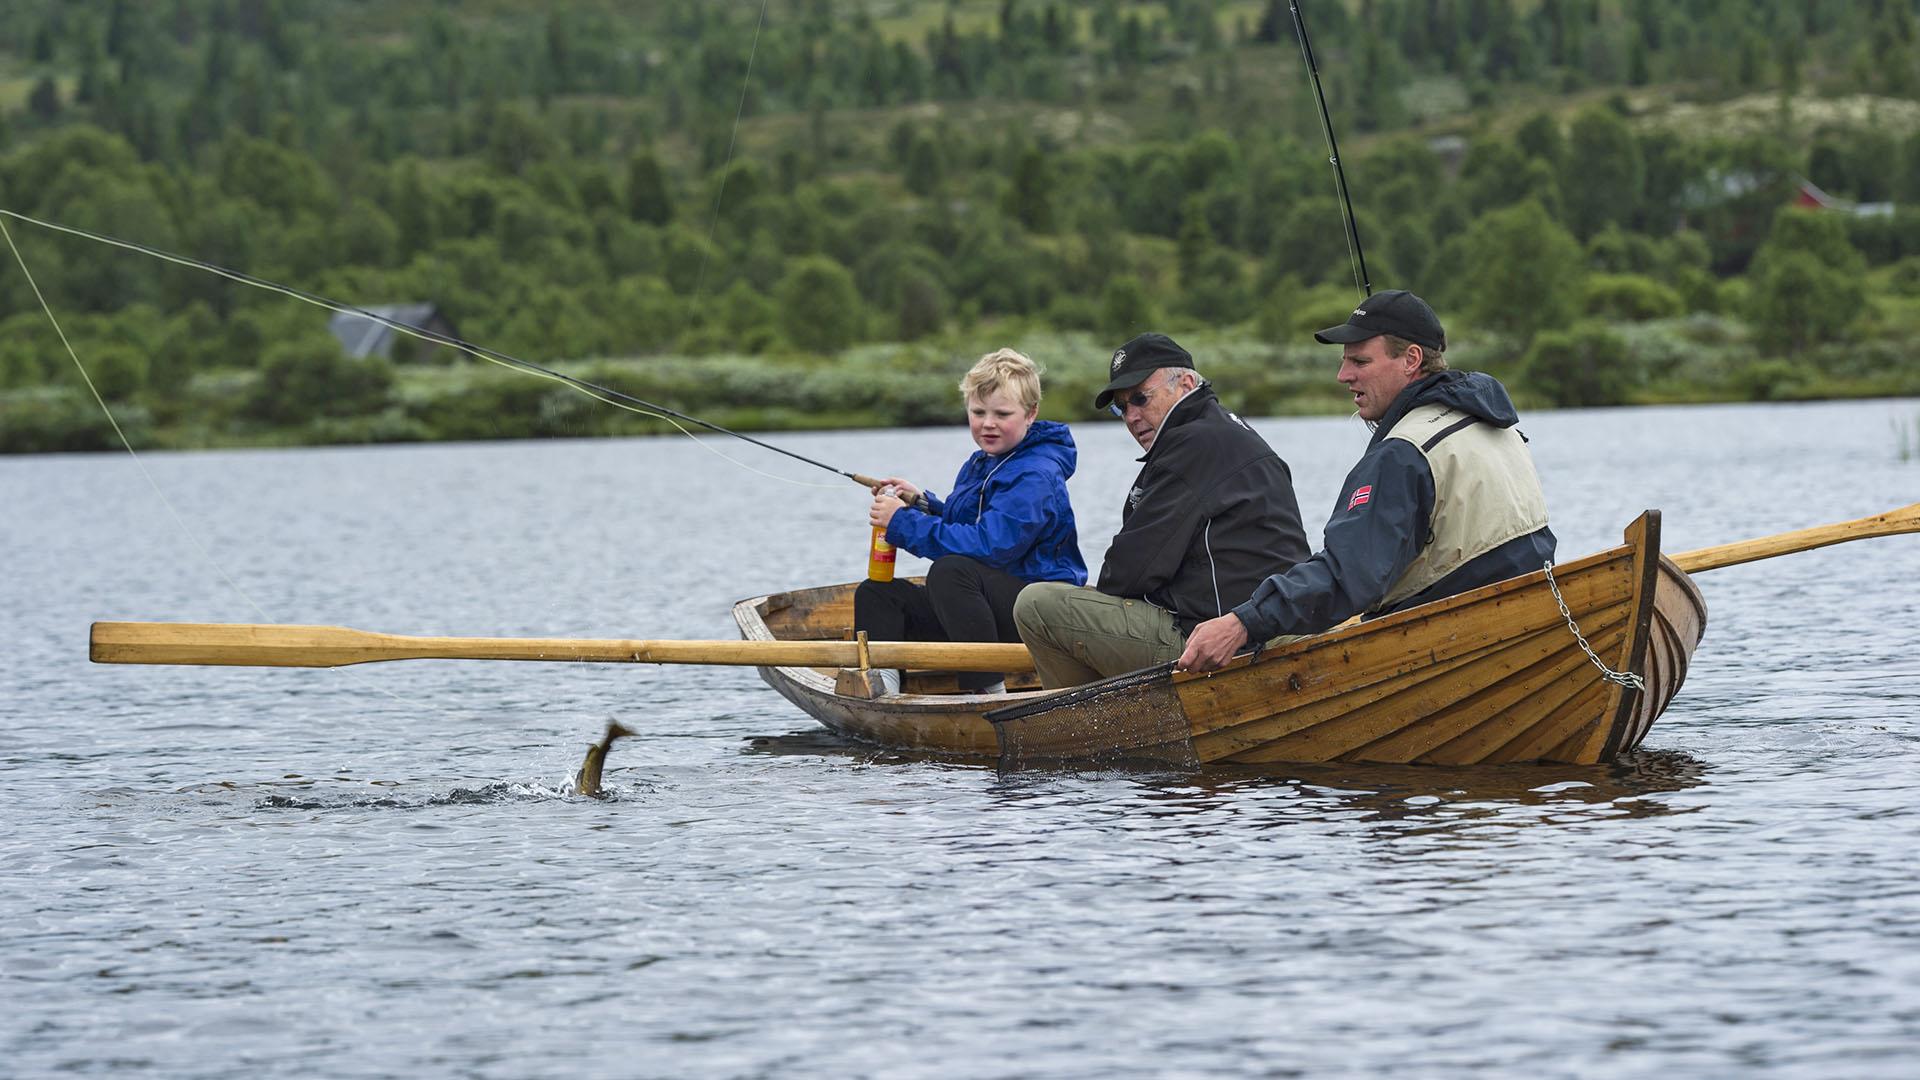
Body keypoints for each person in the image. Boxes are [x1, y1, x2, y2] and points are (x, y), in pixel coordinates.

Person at [1178, 289, 1556, 672]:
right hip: (1530, 629)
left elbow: (1345, 574)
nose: (1343, 376)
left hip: (1452, 651)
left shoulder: (1403, 452)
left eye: (1360, 361)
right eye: (1344, 362)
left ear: (1411, 359)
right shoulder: (1490, 419)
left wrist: (1243, 622)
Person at [1013, 333, 1311, 689]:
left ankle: (1086, 730)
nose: (1132, 416)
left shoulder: (1189, 448)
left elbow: (1124, 575)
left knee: (1036, 605)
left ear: (1185, 383)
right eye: (1122, 407)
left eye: (1140, 398)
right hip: (1273, 620)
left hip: (1219, 642)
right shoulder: (1227, 430)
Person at [856, 348, 1087, 696]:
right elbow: (969, 521)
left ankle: (986, 694)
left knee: (951, 572)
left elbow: (991, 546)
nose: (988, 423)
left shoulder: (1036, 473)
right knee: (877, 593)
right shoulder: (983, 461)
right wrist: (922, 503)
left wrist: (903, 524)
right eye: (978, 412)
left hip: (1040, 611)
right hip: (986, 607)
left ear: (1031, 414)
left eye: (1002, 413)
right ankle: (881, 691)